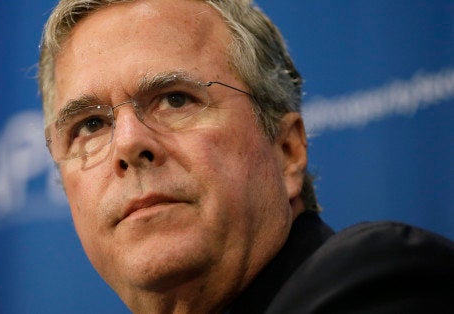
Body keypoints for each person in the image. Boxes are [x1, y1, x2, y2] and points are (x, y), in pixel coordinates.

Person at [37, 0, 454, 312]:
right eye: (90, 125)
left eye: (175, 100)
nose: (128, 144)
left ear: (287, 150)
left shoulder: (377, 284)